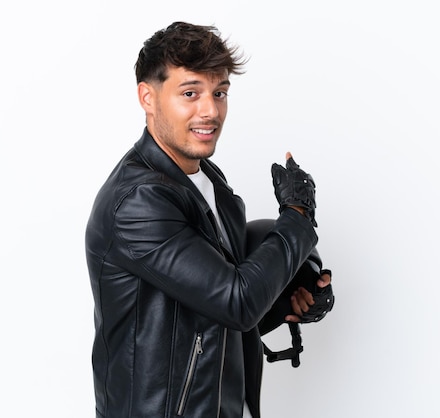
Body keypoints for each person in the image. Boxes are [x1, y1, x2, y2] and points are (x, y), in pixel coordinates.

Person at [85, 21, 333, 418]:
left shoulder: (207, 181)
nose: (211, 110)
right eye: (190, 93)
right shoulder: (138, 201)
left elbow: (209, 315)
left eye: (219, 93)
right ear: (148, 98)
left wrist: (290, 298)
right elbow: (236, 301)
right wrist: (299, 216)